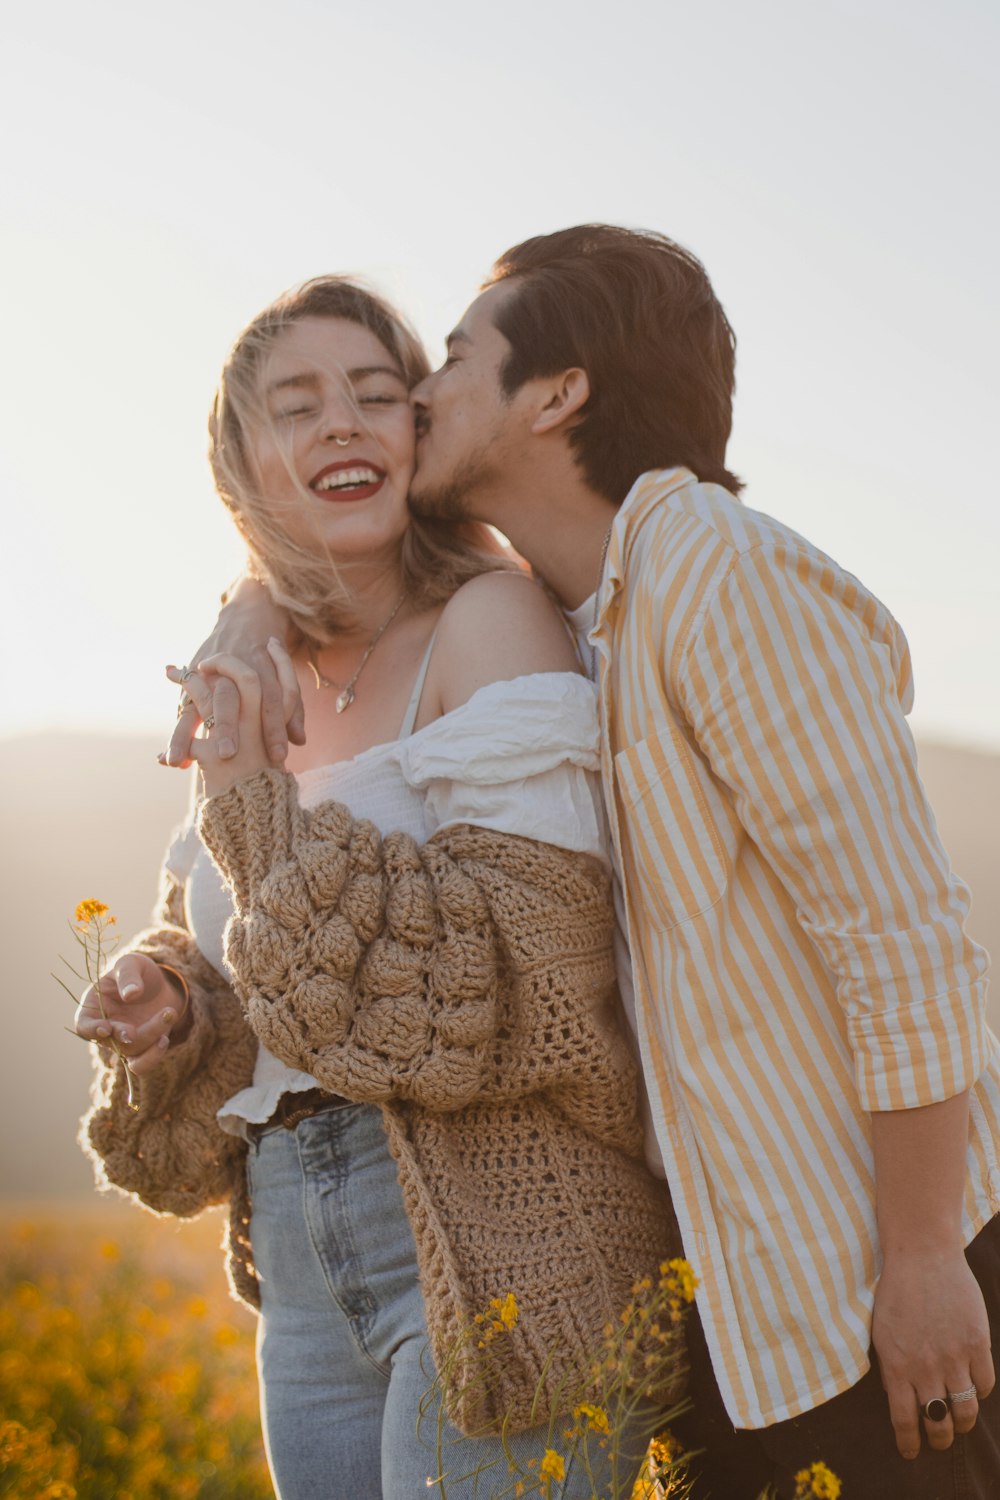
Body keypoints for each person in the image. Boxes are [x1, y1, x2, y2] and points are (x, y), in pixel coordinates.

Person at [190, 227, 1000, 1500]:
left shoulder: (716, 571)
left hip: (873, 1265)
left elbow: (904, 940)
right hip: (743, 1293)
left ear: (556, 395)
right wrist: (253, 599)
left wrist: (919, 1255)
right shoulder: (596, 612)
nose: (416, 398)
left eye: (447, 362)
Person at [74, 275, 680, 1500]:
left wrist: (247, 796)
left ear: (417, 434)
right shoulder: (251, 669)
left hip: (503, 1227)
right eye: (297, 405)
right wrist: (175, 1000)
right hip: (300, 1258)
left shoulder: (491, 619)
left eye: (374, 393)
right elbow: (271, 951)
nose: (343, 422)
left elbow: (525, 977)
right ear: (244, 465)